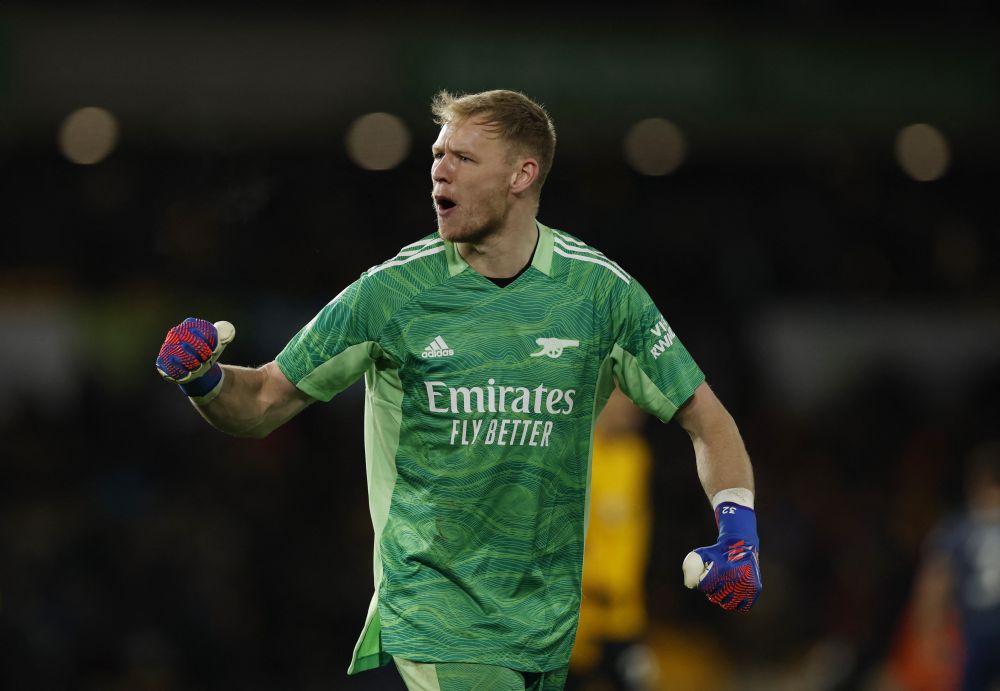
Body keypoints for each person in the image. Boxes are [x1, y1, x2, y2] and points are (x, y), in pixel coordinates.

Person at [155, 89, 761, 691]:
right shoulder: (391, 294)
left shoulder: (600, 295)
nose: (439, 171)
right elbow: (262, 400)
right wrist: (206, 379)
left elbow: (706, 417)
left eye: (464, 159)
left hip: (549, 627)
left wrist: (739, 533)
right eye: (438, 156)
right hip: (434, 613)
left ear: (522, 175)